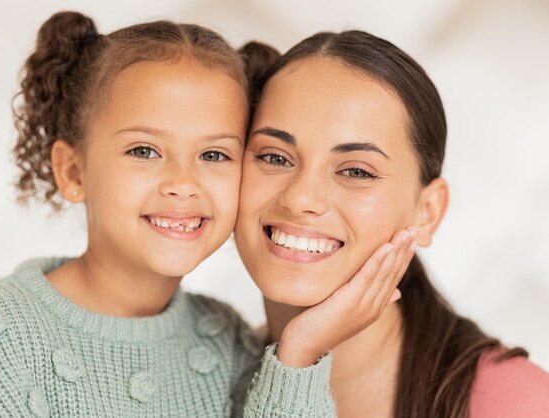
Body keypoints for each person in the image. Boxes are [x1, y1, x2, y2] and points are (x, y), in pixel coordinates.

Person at [0, 12, 412, 417]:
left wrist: (300, 354)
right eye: (144, 150)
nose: (183, 183)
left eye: (215, 155)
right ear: (74, 171)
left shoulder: (232, 346)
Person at [235, 30, 549, 417]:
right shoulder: (195, 379)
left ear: (428, 212)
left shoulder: (518, 403)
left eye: (356, 171)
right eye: (275, 157)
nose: (300, 198)